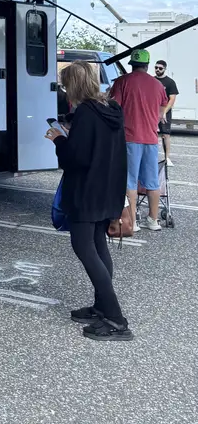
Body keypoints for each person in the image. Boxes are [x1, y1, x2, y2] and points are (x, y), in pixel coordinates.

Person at [47, 61, 132, 341]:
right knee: (97, 245)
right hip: (109, 188)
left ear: (74, 85)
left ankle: (116, 319)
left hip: (86, 190)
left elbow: (76, 158)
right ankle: (101, 306)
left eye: (65, 84)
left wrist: (59, 139)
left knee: (83, 247)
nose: (64, 90)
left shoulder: (84, 113)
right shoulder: (111, 109)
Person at [109, 49, 167, 231]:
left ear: (132, 64)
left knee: (130, 181)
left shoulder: (122, 81)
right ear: (148, 65)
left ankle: (132, 222)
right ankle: (153, 220)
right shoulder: (157, 85)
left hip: (129, 137)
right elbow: (162, 108)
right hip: (150, 138)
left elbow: (114, 107)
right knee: (152, 182)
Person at [155, 59, 178, 166]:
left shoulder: (170, 82)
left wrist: (164, 112)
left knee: (165, 134)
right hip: (152, 110)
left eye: (160, 68)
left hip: (165, 111)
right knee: (152, 133)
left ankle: (167, 158)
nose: (157, 70)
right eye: (156, 68)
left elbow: (172, 99)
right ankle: (152, 156)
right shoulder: (152, 80)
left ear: (165, 69)